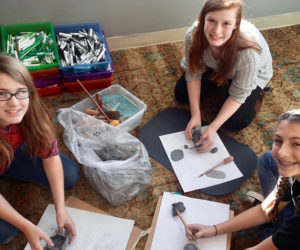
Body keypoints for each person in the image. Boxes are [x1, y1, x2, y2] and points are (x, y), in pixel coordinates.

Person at [185, 109, 300, 249]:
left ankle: (273, 226)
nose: (282, 152)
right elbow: (266, 210)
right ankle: (279, 219)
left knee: (278, 236)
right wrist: (214, 229)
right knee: (268, 159)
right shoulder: (291, 173)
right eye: (278, 141)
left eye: (297, 144)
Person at [0, 53, 80, 249]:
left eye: (20, 92)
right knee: (7, 233)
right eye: (2, 93)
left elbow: (51, 158)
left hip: (8, 152)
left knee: (68, 175)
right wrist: (27, 226)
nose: (14, 103)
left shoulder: (32, 112)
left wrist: (61, 208)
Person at [175, 0, 273, 152]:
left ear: (236, 24)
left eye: (226, 23)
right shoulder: (193, 35)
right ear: (203, 19)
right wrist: (196, 115)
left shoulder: (248, 54)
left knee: (235, 122)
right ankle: (221, 84)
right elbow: (193, 73)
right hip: (215, 66)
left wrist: (213, 127)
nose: (217, 31)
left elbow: (239, 94)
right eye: (212, 21)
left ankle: (254, 95)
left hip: (251, 74)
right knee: (182, 94)